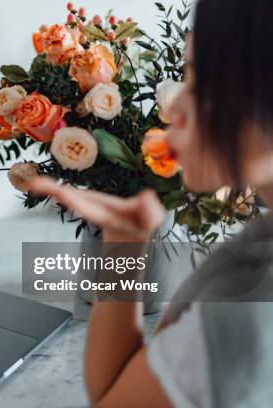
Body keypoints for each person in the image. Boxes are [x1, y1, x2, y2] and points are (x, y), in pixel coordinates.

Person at [29, 0, 273, 406]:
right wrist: (125, 239)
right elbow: (122, 387)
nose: (173, 105)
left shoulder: (243, 300)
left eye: (199, 82)